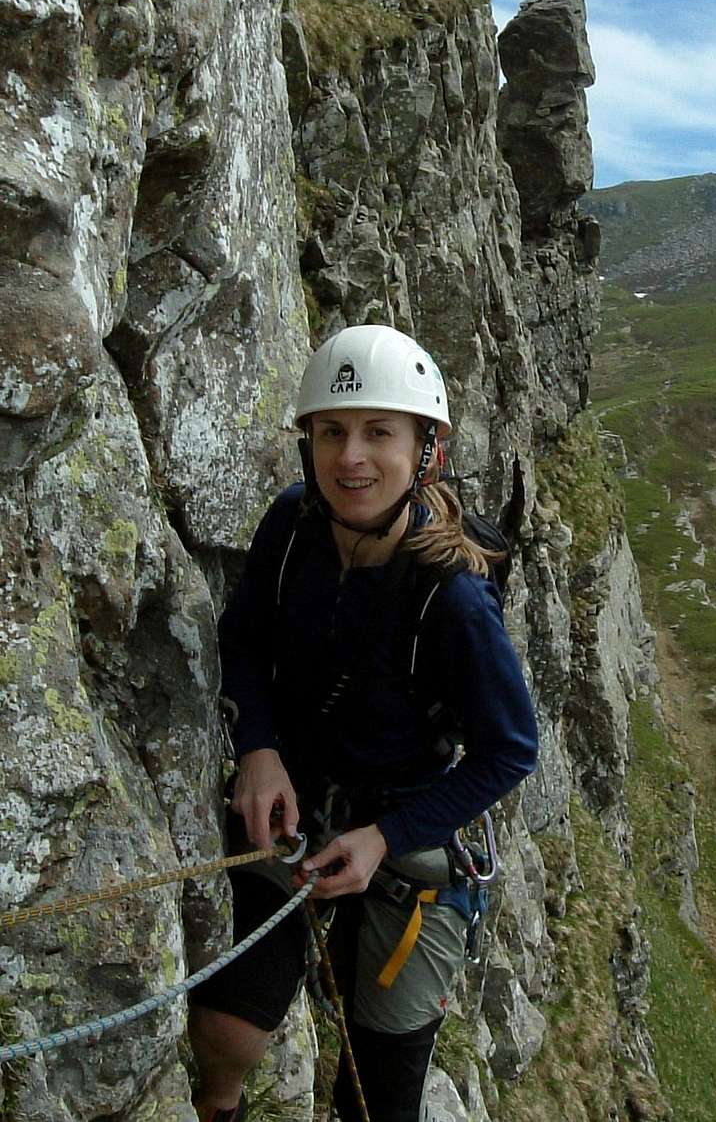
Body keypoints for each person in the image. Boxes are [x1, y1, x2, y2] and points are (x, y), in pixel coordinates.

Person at [188, 324, 539, 1122]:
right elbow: (241, 638)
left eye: (380, 432)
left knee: (377, 1096)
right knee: (225, 1033)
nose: (351, 456)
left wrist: (387, 833)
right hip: (296, 800)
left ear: (425, 450)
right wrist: (259, 748)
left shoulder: (454, 599)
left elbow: (510, 749)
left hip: (403, 834)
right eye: (332, 431)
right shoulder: (292, 526)